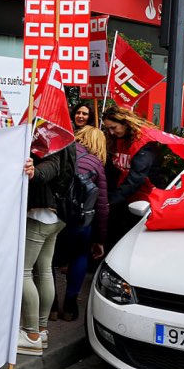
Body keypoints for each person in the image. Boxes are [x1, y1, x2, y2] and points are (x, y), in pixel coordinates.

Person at [19, 141, 75, 356]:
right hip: (56, 215)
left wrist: (35, 172)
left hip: (41, 214)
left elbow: (51, 165)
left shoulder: (53, 135)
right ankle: (41, 331)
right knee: (44, 271)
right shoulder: (66, 136)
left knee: (25, 272)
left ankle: (31, 334)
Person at [52, 126, 109, 323]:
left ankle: (50, 305)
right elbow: (102, 205)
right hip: (80, 221)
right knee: (79, 255)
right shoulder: (96, 164)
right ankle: (69, 305)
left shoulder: (60, 150)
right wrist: (100, 239)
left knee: (48, 260)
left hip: (56, 215)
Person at [102, 107, 165, 245]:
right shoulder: (116, 139)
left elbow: (136, 178)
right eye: (109, 129)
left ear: (125, 123)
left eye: (114, 127)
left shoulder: (143, 142)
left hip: (144, 200)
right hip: (124, 197)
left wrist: (111, 200)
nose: (111, 132)